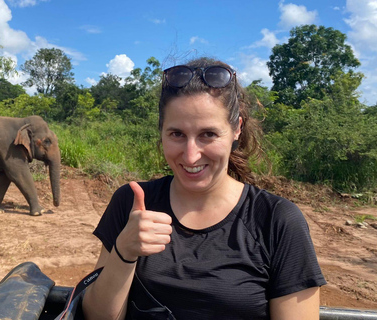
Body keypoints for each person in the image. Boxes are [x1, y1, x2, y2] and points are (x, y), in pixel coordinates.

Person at [82, 57, 326, 319]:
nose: (190, 156)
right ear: (161, 131)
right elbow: (98, 316)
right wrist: (124, 252)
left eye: (208, 134)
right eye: (177, 134)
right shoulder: (131, 203)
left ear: (236, 130)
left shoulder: (276, 219)